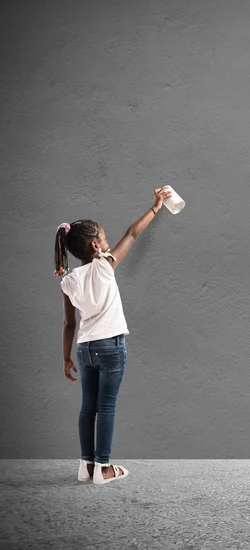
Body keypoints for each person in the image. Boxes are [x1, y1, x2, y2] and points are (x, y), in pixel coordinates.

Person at [54, 187, 173, 484]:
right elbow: (132, 234)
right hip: (111, 346)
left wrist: (65, 357)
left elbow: (69, 324)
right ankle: (103, 468)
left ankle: (86, 466)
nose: (108, 244)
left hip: (84, 348)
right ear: (96, 246)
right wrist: (156, 207)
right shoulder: (105, 267)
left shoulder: (68, 281)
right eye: (105, 240)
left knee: (88, 406)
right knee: (106, 406)